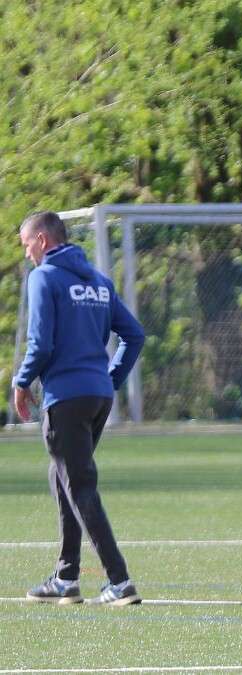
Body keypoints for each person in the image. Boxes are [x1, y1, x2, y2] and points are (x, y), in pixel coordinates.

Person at [14, 211, 145, 606]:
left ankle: (119, 581)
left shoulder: (44, 278)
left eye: (26, 246)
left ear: (40, 240)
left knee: (80, 484)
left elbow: (41, 344)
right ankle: (66, 576)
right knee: (63, 478)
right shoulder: (99, 282)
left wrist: (21, 382)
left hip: (66, 398)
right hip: (97, 396)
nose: (26, 256)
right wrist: (110, 379)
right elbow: (134, 336)